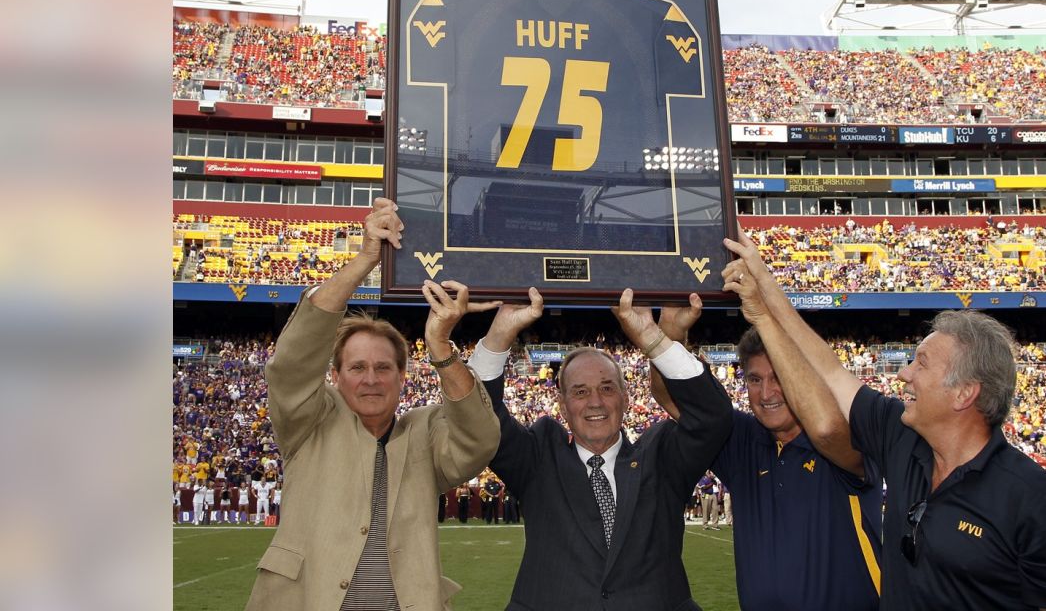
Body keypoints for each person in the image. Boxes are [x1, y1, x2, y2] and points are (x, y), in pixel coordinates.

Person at [723, 229, 1046, 610]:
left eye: (922, 364)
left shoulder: (1039, 503)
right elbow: (832, 373)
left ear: (964, 392)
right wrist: (766, 295)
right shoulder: (900, 440)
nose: (904, 374)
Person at [245, 198, 502, 611]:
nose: (370, 379)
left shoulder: (425, 431)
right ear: (335, 376)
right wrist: (366, 258)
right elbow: (291, 365)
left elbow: (480, 439)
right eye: (357, 367)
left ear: (403, 378)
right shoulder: (310, 422)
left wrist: (440, 345)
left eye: (383, 368)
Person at [469, 286, 733, 610]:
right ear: (563, 406)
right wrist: (499, 335)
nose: (595, 402)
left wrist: (652, 336)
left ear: (625, 397)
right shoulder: (539, 457)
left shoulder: (661, 456)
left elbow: (713, 417)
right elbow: (479, 419)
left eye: (607, 388)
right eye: (580, 392)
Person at [651, 312, 883, 611]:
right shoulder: (744, 441)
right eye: (754, 379)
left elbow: (827, 430)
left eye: (780, 378)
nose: (766, 393)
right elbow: (668, 393)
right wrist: (671, 328)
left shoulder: (845, 435)